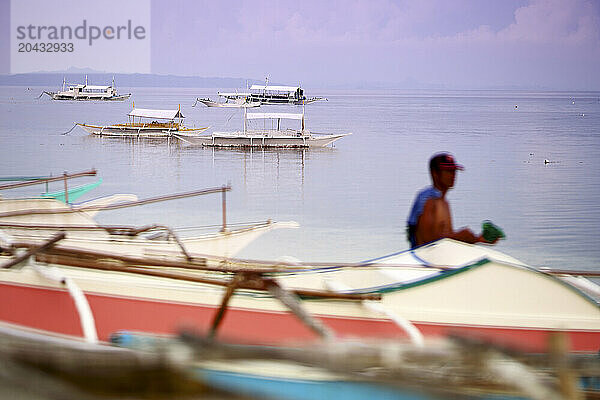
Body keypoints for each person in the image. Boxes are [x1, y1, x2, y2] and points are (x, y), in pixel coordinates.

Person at [406, 152, 496, 249]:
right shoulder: (429, 200)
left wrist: (478, 239)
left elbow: (445, 239)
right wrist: (459, 236)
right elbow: (426, 242)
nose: (453, 175)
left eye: (454, 171)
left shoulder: (444, 202)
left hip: (438, 258)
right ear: (435, 173)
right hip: (425, 260)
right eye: (448, 171)